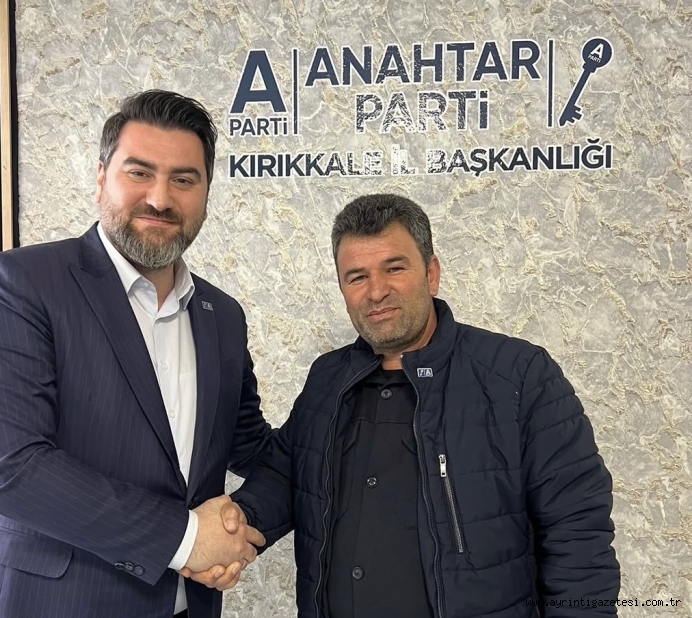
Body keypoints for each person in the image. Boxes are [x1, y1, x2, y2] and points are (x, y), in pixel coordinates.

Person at [191, 193, 620, 616]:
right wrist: (233, 523)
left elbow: (578, 533)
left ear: (431, 274)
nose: (376, 291)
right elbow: (288, 476)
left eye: (394, 268)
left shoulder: (520, 376)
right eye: (356, 277)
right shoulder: (328, 377)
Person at [0, 90, 272, 618]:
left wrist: (346, 410)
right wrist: (187, 538)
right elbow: (9, 467)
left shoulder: (223, 315)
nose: (160, 199)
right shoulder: (19, 284)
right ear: (102, 176)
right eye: (140, 172)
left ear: (206, 194)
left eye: (184, 180)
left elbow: (250, 445)